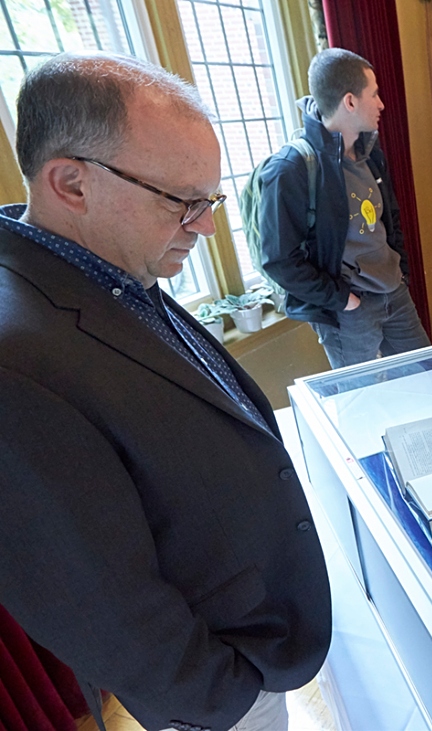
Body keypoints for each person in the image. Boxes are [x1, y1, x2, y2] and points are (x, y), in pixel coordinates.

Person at [0, 53, 331, 731]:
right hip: (217, 690)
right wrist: (227, 695)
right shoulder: (13, 358)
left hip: (252, 635)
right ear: (70, 183)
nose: (206, 226)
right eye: (183, 201)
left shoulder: (111, 265)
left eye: (208, 200)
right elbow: (96, 605)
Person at [259, 48, 430, 370]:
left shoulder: (371, 151)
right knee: (360, 400)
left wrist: (401, 270)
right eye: (374, 94)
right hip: (348, 309)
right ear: (350, 102)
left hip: (394, 291)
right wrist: (343, 300)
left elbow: (388, 220)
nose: (381, 104)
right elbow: (280, 260)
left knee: (426, 374)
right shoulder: (290, 169)